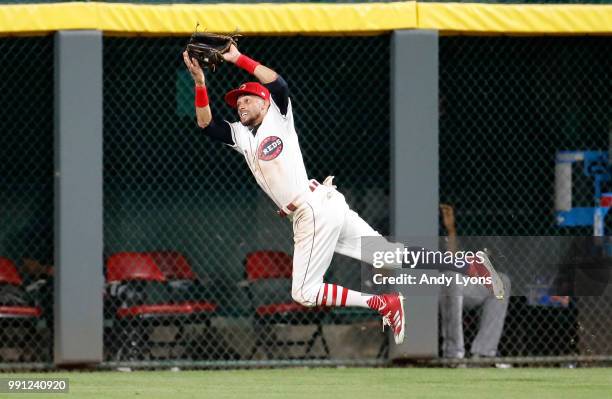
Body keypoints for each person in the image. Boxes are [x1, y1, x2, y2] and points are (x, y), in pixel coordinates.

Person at [182, 44, 503, 345]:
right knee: (387, 255)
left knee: (305, 293)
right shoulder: (242, 136)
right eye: (237, 100)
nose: (240, 102)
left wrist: (238, 59)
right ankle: (466, 263)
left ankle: (382, 302)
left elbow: (279, 83)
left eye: (247, 97)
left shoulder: (278, 117)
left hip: (314, 209)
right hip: (321, 205)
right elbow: (207, 124)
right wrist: (199, 81)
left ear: (263, 102)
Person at [439, 204, 511, 364]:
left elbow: (454, 261)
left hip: (455, 287)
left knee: (502, 281)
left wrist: (450, 229)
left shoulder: (458, 231)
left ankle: (484, 353)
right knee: (451, 277)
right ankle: (453, 355)